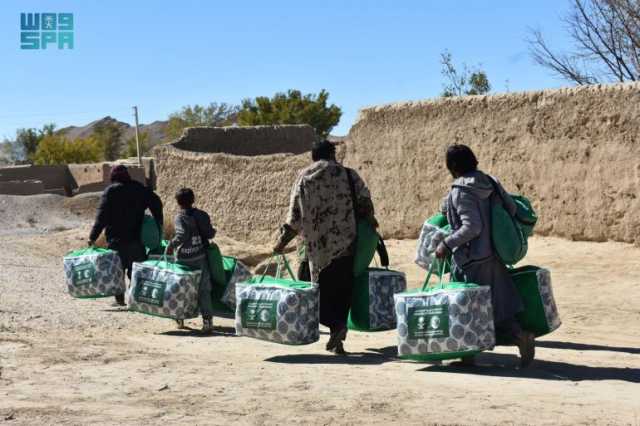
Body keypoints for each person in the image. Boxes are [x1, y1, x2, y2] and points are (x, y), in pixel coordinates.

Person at [435, 144, 535, 368]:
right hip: (494, 254)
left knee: (467, 307)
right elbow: (510, 207)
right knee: (497, 305)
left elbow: (472, 227)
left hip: (471, 259)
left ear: (452, 166)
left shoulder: (460, 190)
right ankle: (470, 355)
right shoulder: (489, 181)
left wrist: (446, 244)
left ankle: (516, 339)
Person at [273, 140, 376, 355]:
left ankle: (335, 327)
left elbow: (294, 217)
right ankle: (337, 335)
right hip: (345, 245)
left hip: (313, 249)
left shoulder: (304, 177)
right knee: (341, 292)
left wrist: (281, 242)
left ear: (313, 156)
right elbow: (365, 203)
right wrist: (371, 222)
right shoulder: (348, 174)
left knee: (311, 291)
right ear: (332, 154)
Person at [89, 165, 163, 306]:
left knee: (118, 271)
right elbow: (156, 202)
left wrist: (92, 237)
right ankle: (135, 299)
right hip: (137, 239)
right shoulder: (139, 188)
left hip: (116, 240)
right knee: (135, 269)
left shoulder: (110, 192)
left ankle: (120, 300)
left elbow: (101, 217)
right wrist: (157, 222)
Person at [166, 188, 216, 334]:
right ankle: (208, 322)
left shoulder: (179, 218)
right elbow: (210, 233)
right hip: (200, 257)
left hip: (183, 259)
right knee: (203, 290)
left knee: (181, 289)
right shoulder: (202, 215)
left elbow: (181, 235)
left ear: (178, 202)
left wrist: (171, 244)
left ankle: (179, 319)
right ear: (193, 200)